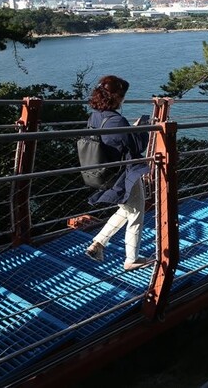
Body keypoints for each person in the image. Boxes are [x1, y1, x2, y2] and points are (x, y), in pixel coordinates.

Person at [84, 75, 153, 270]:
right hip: (124, 174)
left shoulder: (95, 116)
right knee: (136, 213)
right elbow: (137, 146)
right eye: (122, 96)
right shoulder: (117, 120)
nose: (123, 99)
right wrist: (141, 128)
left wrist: (129, 130)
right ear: (116, 97)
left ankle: (98, 244)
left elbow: (115, 140)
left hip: (105, 171)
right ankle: (132, 259)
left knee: (126, 209)